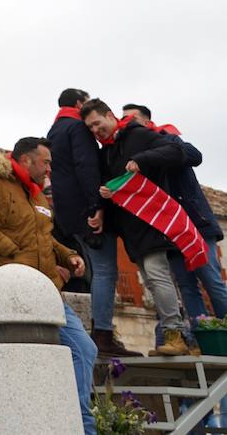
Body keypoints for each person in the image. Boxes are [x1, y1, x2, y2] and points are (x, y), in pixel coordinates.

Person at [0, 139, 96, 435]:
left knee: (84, 348)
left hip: (46, 290)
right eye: (46, 162)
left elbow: (43, 237)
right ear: (27, 160)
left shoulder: (37, 195)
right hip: (9, 288)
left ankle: (80, 423)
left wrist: (67, 255)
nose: (49, 169)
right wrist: (10, 249)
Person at [83, 98, 193, 356]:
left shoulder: (138, 135)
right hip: (131, 227)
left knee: (156, 274)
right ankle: (175, 336)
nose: (96, 130)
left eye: (97, 123)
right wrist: (103, 201)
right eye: (90, 128)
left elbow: (178, 152)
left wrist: (142, 159)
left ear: (110, 116)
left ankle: (177, 336)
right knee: (152, 280)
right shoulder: (106, 152)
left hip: (154, 219)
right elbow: (114, 184)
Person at [47, 88, 138, 357]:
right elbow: (86, 167)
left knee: (96, 270)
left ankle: (102, 333)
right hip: (86, 210)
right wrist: (96, 206)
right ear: (79, 103)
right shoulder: (77, 127)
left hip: (66, 213)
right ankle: (103, 334)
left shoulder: (54, 131)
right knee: (105, 271)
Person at [123, 104, 227, 324]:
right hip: (171, 228)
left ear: (146, 123)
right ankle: (202, 334)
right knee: (186, 286)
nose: (126, 124)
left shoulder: (169, 139)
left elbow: (195, 155)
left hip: (196, 222)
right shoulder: (130, 153)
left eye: (130, 119)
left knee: (211, 280)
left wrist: (149, 155)